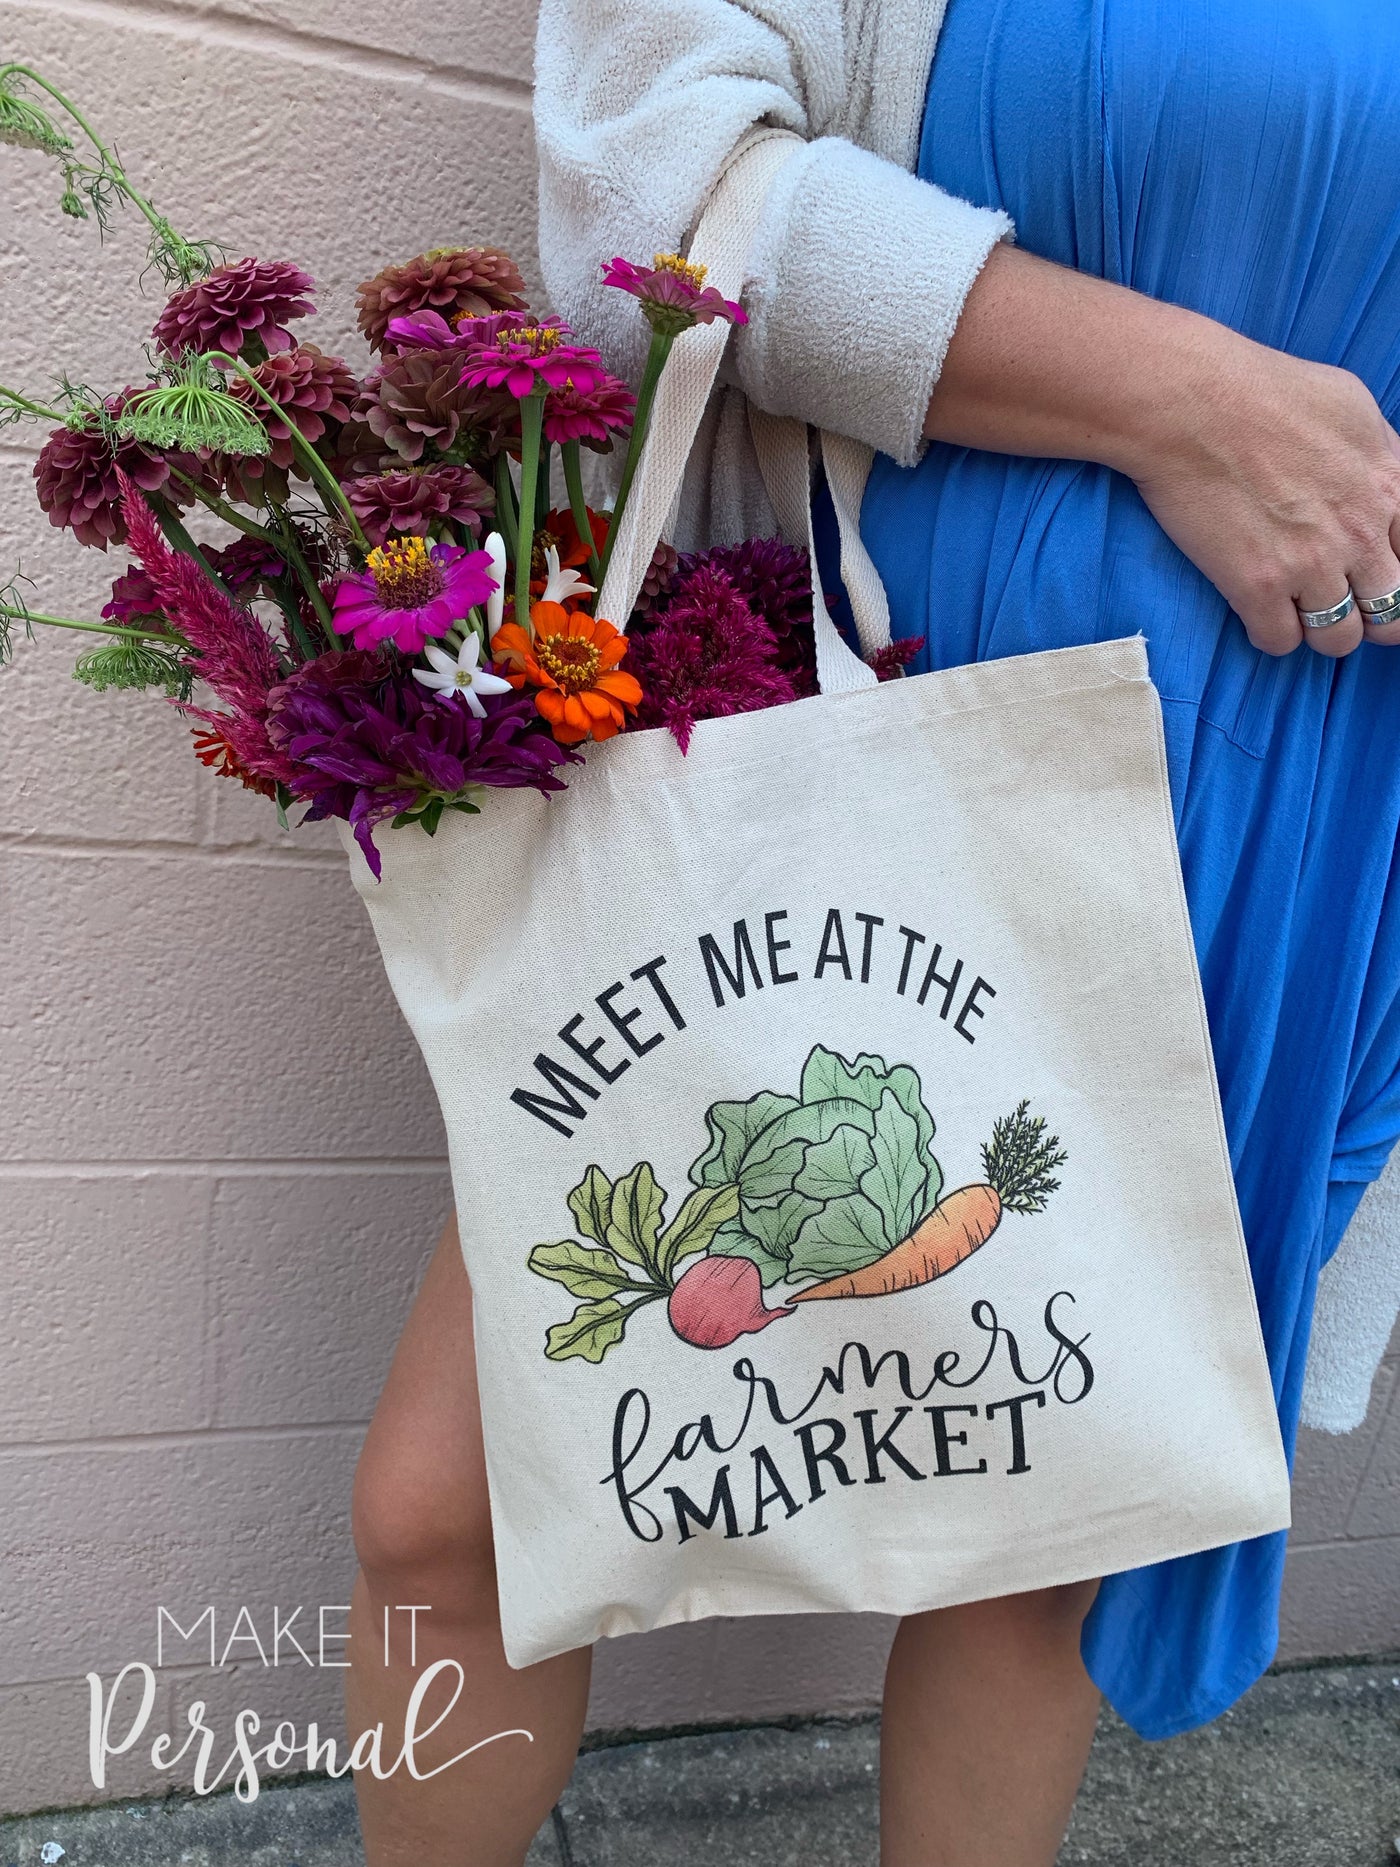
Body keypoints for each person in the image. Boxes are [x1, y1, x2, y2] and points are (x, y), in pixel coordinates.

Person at [345, 2, 1400, 1862]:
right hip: (860, 718)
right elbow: (650, 213)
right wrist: (1193, 401)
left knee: (1043, 1525)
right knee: (464, 1511)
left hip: (1271, 770)